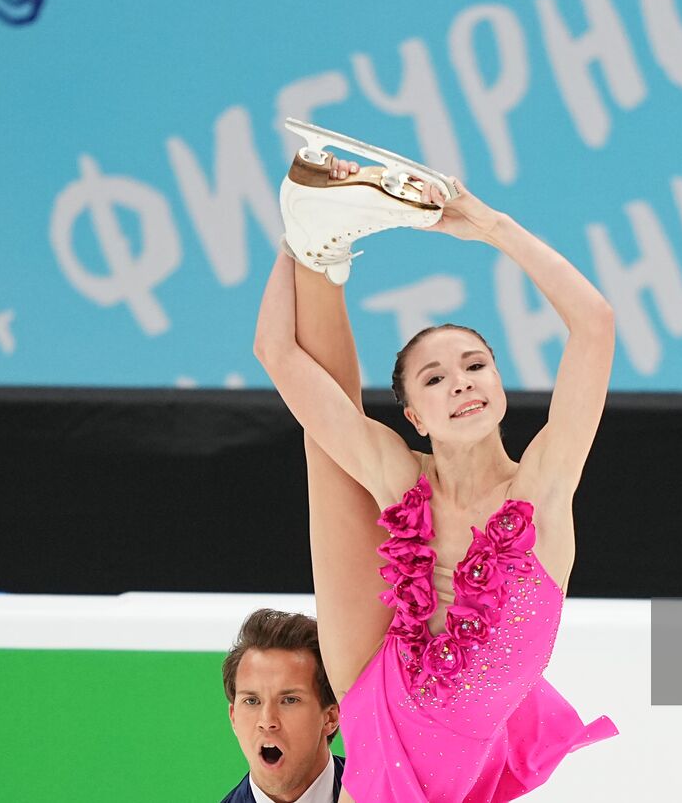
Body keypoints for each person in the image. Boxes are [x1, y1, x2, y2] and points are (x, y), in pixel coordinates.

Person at [253, 146, 618, 803]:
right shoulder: (402, 476)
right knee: (327, 453)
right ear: (416, 414)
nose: (463, 383)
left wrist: (492, 225)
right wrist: (292, 241)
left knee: (330, 454)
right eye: (436, 376)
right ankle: (320, 245)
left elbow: (594, 324)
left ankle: (315, 240)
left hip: (423, 736)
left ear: (502, 384)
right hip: (385, 687)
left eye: (476, 365)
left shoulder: (542, 484)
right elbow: (276, 355)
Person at [221, 608, 346, 803]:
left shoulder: (393, 794)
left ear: (330, 717)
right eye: (252, 701)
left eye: (289, 700)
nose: (267, 721)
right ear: (234, 717)